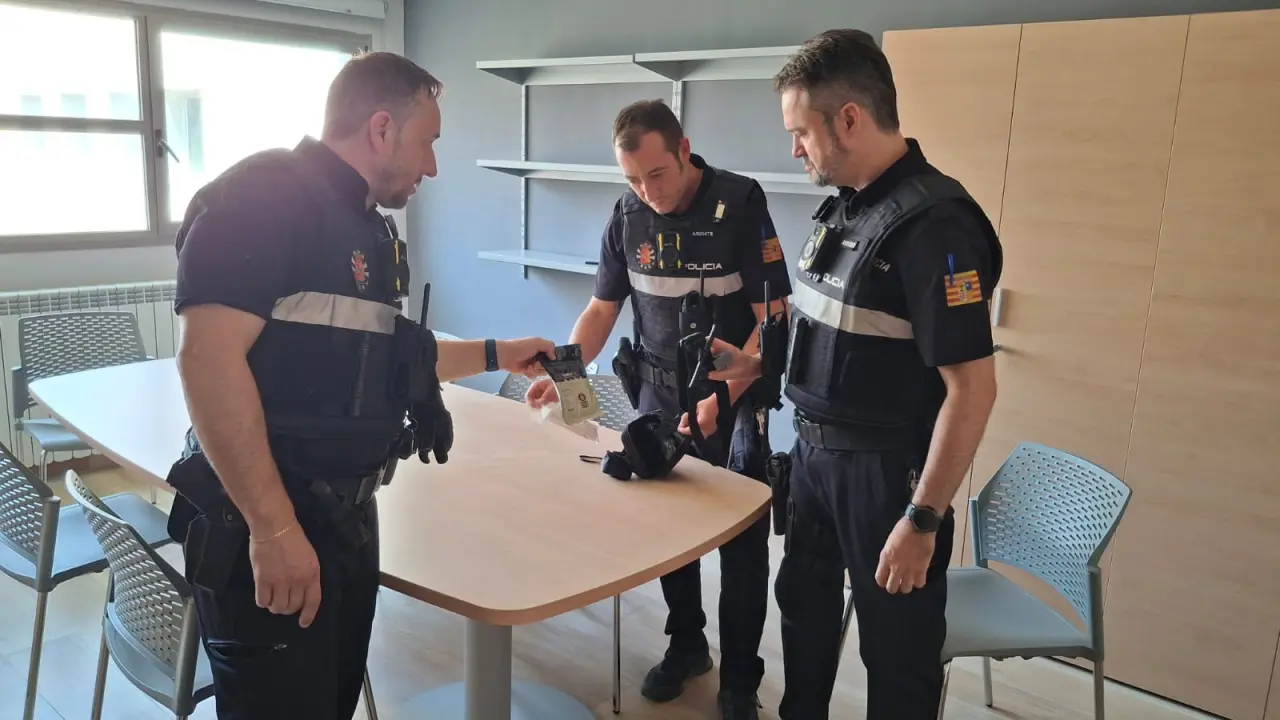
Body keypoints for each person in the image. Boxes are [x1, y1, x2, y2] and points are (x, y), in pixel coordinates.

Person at [167, 51, 556, 720]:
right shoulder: (259, 200)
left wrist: (500, 353)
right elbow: (207, 361)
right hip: (272, 521)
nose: (433, 165)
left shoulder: (366, 224)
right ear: (381, 129)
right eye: (428, 141)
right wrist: (274, 530)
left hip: (342, 523)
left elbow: (390, 360)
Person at [706, 29, 1002, 720]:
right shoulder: (846, 205)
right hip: (813, 460)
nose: (794, 149)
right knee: (804, 613)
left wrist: (922, 520)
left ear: (848, 119)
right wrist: (758, 364)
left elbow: (973, 390)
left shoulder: (936, 226)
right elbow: (840, 334)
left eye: (800, 132)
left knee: (897, 652)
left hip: (885, 475)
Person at [524, 99, 792, 719]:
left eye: (657, 174)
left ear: (684, 150)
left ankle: (740, 679)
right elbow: (601, 309)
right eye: (633, 179)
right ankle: (687, 644)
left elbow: (773, 319)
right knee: (672, 533)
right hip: (658, 395)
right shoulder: (627, 215)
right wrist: (566, 376)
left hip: (731, 401)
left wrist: (722, 397)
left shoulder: (740, 204)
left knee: (741, 543)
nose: (648, 191)